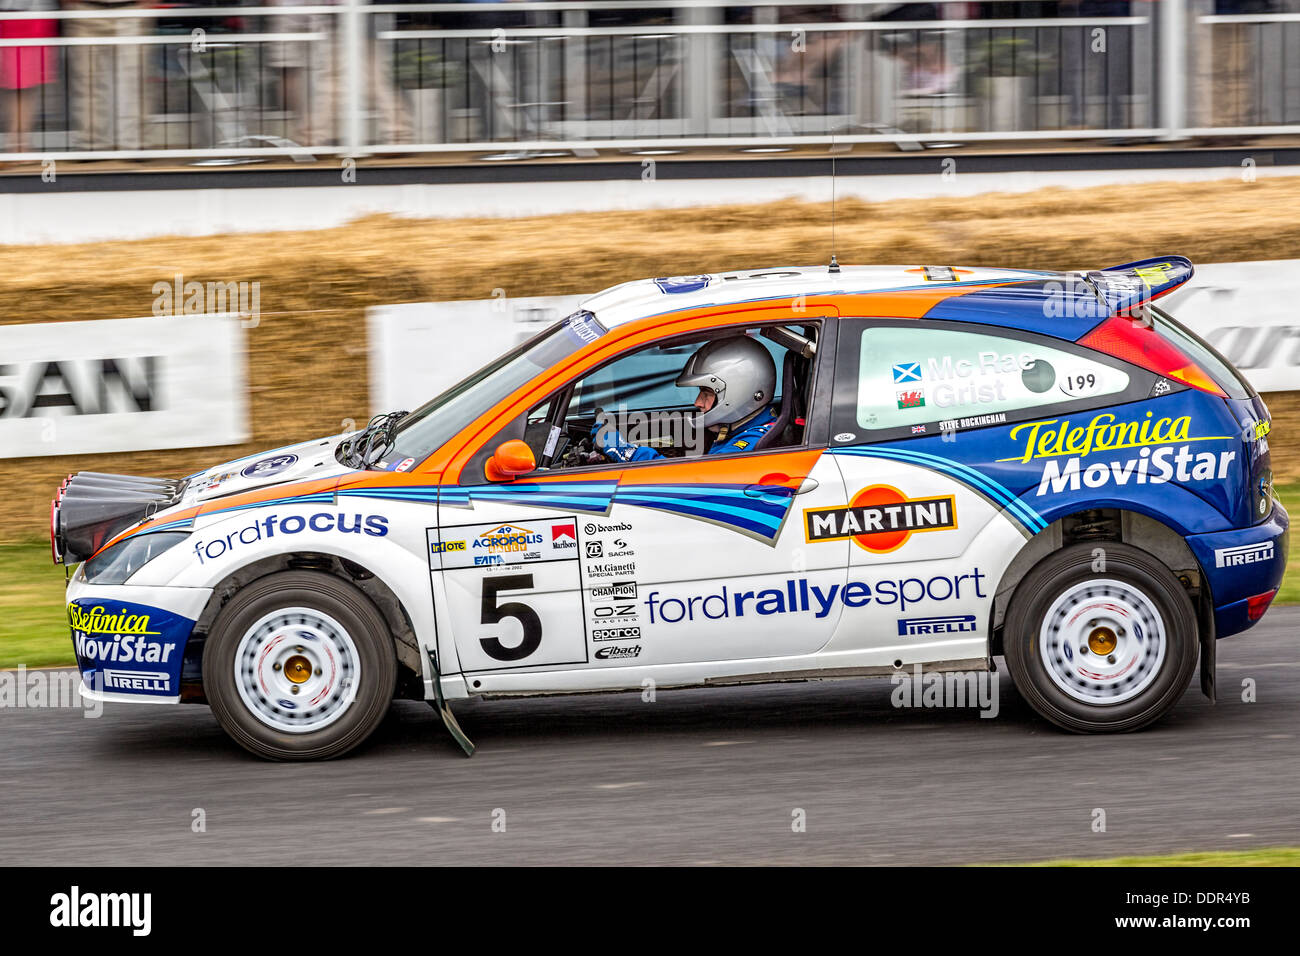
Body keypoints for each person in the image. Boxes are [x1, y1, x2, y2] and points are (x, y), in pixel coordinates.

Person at [592, 336, 779, 462]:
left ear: (739, 391)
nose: (697, 402)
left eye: (706, 393)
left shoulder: (749, 446)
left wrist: (623, 449)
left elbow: (686, 483)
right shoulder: (742, 429)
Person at [0, 0, 59, 155]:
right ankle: (14, 143)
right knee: (13, 85)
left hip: (36, 20)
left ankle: (22, 144)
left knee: (29, 86)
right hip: (8, 19)